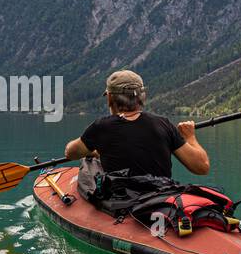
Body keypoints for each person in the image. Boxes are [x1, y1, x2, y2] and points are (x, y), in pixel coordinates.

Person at [64, 70, 209, 177]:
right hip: (161, 199)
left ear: (109, 98)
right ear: (142, 97)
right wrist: (190, 137)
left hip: (122, 204)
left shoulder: (101, 127)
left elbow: (70, 153)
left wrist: (94, 150)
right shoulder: (163, 124)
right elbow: (202, 167)